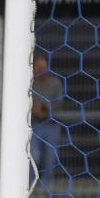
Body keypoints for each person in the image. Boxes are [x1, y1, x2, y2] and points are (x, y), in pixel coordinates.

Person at [30, 54, 62, 186]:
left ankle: (46, 193)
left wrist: (44, 109)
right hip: (33, 125)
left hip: (51, 125)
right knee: (33, 158)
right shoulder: (29, 83)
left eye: (43, 67)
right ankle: (30, 190)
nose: (40, 70)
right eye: (38, 67)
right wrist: (34, 110)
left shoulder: (55, 83)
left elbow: (58, 103)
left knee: (50, 158)